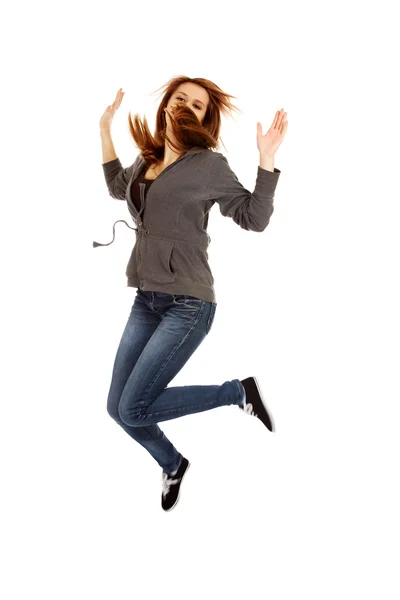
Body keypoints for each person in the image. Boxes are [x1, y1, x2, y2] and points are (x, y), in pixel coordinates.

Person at [98, 76, 288, 511]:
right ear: (167, 105)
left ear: (205, 118)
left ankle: (237, 393)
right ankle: (172, 462)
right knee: (118, 408)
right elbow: (116, 188)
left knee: (133, 408)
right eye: (180, 98)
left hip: (188, 303)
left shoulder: (207, 165)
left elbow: (252, 217)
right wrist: (104, 132)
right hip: (146, 300)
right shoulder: (147, 158)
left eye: (198, 105)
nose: (186, 106)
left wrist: (267, 161)